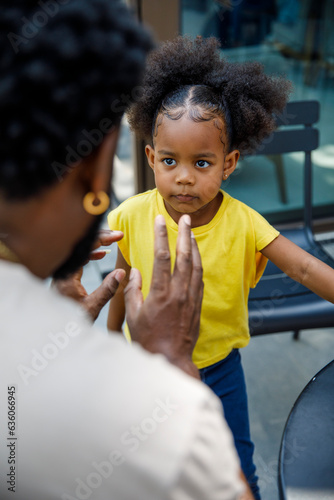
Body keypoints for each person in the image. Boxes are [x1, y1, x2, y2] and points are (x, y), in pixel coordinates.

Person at [0, 3, 253, 500]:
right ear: (97, 171)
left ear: (229, 163)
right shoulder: (166, 427)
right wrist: (173, 367)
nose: (182, 177)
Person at [107, 35, 334, 499]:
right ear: (150, 158)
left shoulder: (245, 223)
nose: (184, 175)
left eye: (202, 162)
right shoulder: (132, 216)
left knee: (234, 466)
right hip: (148, 366)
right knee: (155, 466)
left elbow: (308, 270)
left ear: (228, 164)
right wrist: (110, 346)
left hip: (220, 370)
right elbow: (120, 279)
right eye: (169, 160)